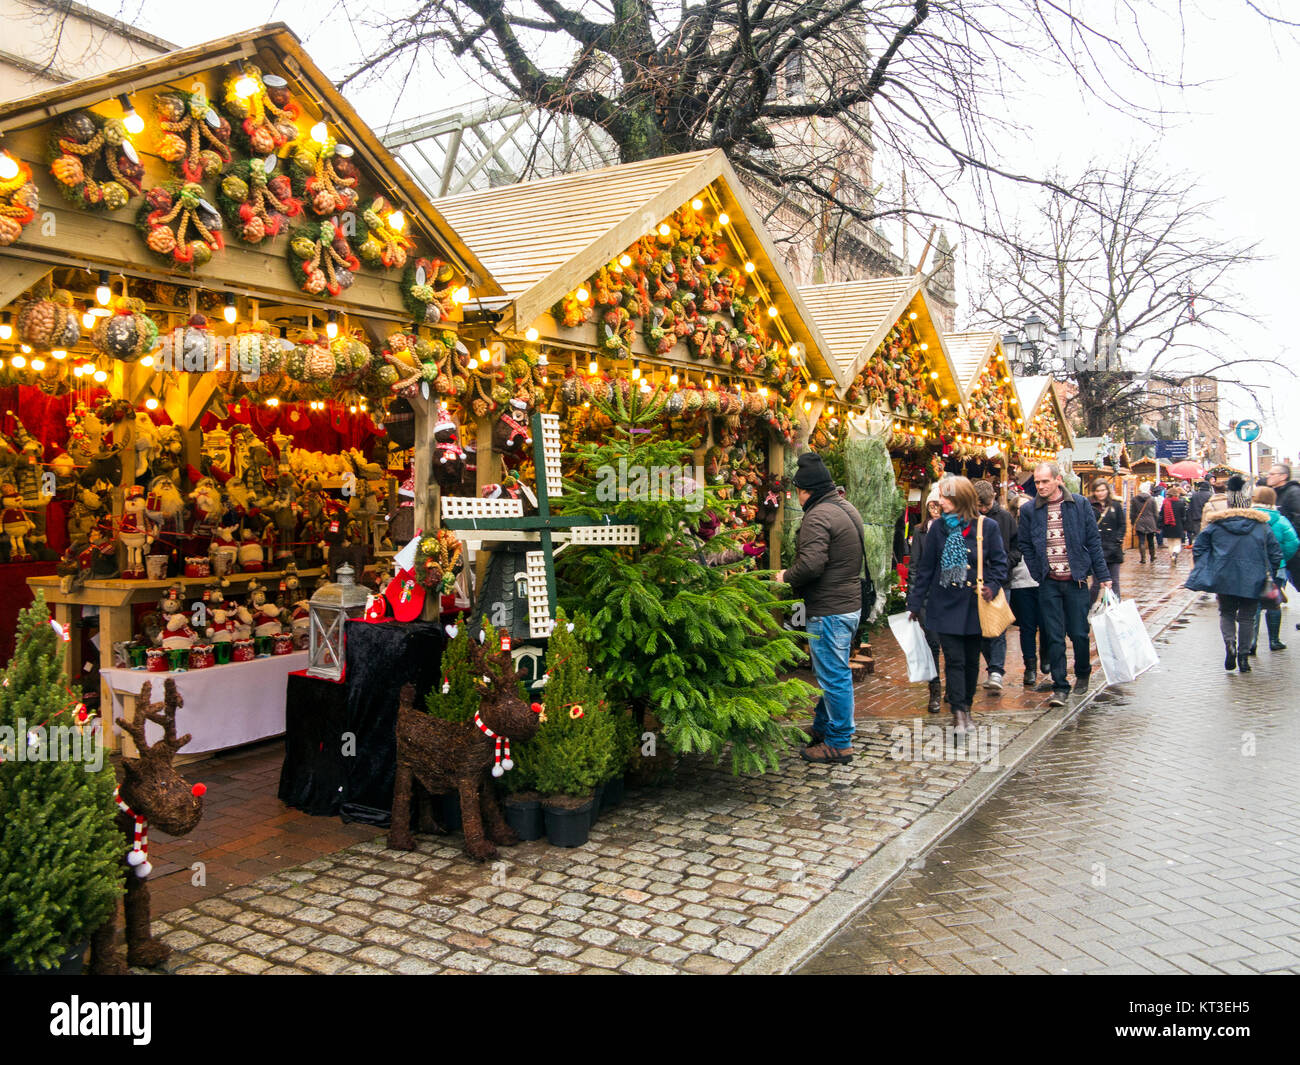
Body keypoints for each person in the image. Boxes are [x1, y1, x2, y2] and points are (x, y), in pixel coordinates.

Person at [777, 451, 864, 765]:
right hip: (848, 604)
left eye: (797, 491)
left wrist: (785, 576)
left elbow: (812, 565)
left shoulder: (817, 516)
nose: (797, 497)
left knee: (834, 676)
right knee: (834, 672)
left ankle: (839, 743)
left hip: (829, 609)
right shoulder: (845, 507)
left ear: (805, 490)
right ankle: (823, 727)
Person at [907, 476, 1007, 736]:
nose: (940, 502)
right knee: (954, 660)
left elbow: (999, 564)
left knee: (972, 661)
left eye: (945, 498)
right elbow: (926, 568)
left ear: (960, 500)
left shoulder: (988, 527)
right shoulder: (937, 528)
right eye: (939, 497)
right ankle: (958, 712)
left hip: (975, 605)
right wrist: (914, 604)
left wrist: (992, 587)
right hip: (946, 604)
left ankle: (968, 707)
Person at [1018, 462, 1111, 707]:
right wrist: (1038, 571)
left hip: (1076, 580)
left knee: (1079, 634)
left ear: (1057, 479)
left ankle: (1083, 671)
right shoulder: (1029, 510)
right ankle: (1060, 686)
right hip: (1049, 582)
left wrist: (1104, 577)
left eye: (1045, 481)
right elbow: (1025, 544)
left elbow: (1093, 541)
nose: (1040, 486)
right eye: (1037, 482)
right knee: (1054, 636)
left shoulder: (1078, 504)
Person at [1186, 475, 1282, 673]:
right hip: (1253, 577)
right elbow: (1275, 553)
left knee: (1227, 613)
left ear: (1229, 504)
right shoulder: (1261, 526)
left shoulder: (1216, 525)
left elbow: (1199, 548)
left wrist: (1207, 566)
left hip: (1223, 576)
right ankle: (1243, 657)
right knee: (1247, 618)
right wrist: (1270, 574)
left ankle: (1230, 644)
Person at [974, 480, 1018, 692]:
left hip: (1001, 580)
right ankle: (993, 666)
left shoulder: (1005, 518)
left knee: (998, 627)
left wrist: (1007, 564)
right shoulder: (972, 519)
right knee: (982, 628)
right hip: (979, 581)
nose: (982, 509)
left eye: (985, 505)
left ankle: (996, 672)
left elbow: (1016, 547)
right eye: (979, 506)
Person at [1249, 485, 1297, 654]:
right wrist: (1281, 557)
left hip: (1252, 566)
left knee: (1252, 604)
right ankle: (1274, 640)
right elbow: (1293, 543)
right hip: (1277, 567)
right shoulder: (1281, 520)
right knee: (1273, 603)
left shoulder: (1248, 518)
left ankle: (1251, 642)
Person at [909, 496, 945, 712]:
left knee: (949, 644)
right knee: (932, 644)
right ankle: (935, 689)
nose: (935, 509)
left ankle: (955, 688)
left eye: (938, 505)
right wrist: (913, 597)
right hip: (926, 595)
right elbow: (914, 565)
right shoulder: (919, 531)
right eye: (931, 505)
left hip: (947, 595)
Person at [1265, 463, 1300, 593]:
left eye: (1272, 474)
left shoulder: (1293, 493)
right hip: (1280, 548)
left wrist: (1289, 540)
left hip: (1292, 548)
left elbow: (1298, 518)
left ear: (1283, 476)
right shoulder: (1274, 492)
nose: (1268, 476)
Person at [1090, 478, 1126, 604]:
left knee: (1114, 580)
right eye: (1098, 491)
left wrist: (1118, 539)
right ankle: (1087, 608)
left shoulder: (1115, 505)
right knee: (1096, 583)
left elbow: (1122, 524)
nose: (1100, 493)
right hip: (1097, 548)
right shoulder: (1090, 505)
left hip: (1113, 549)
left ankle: (1114, 607)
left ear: (1107, 490)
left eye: (1103, 490)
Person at [1130, 481, 1159, 563]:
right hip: (1151, 522)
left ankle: (1143, 558)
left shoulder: (1135, 499)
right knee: (1150, 540)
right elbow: (1156, 513)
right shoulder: (1152, 499)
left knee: (1141, 540)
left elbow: (1132, 513)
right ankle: (1152, 557)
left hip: (1140, 522)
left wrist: (1133, 523)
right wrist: (1156, 523)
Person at [1160, 484, 1188, 566]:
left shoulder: (1165, 503)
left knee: (1170, 543)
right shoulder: (1180, 503)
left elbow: (1161, 515)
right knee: (1177, 543)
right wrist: (1185, 526)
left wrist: (1160, 526)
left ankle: (1171, 555)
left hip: (1167, 526)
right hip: (1178, 526)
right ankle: (1175, 554)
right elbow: (1183, 516)